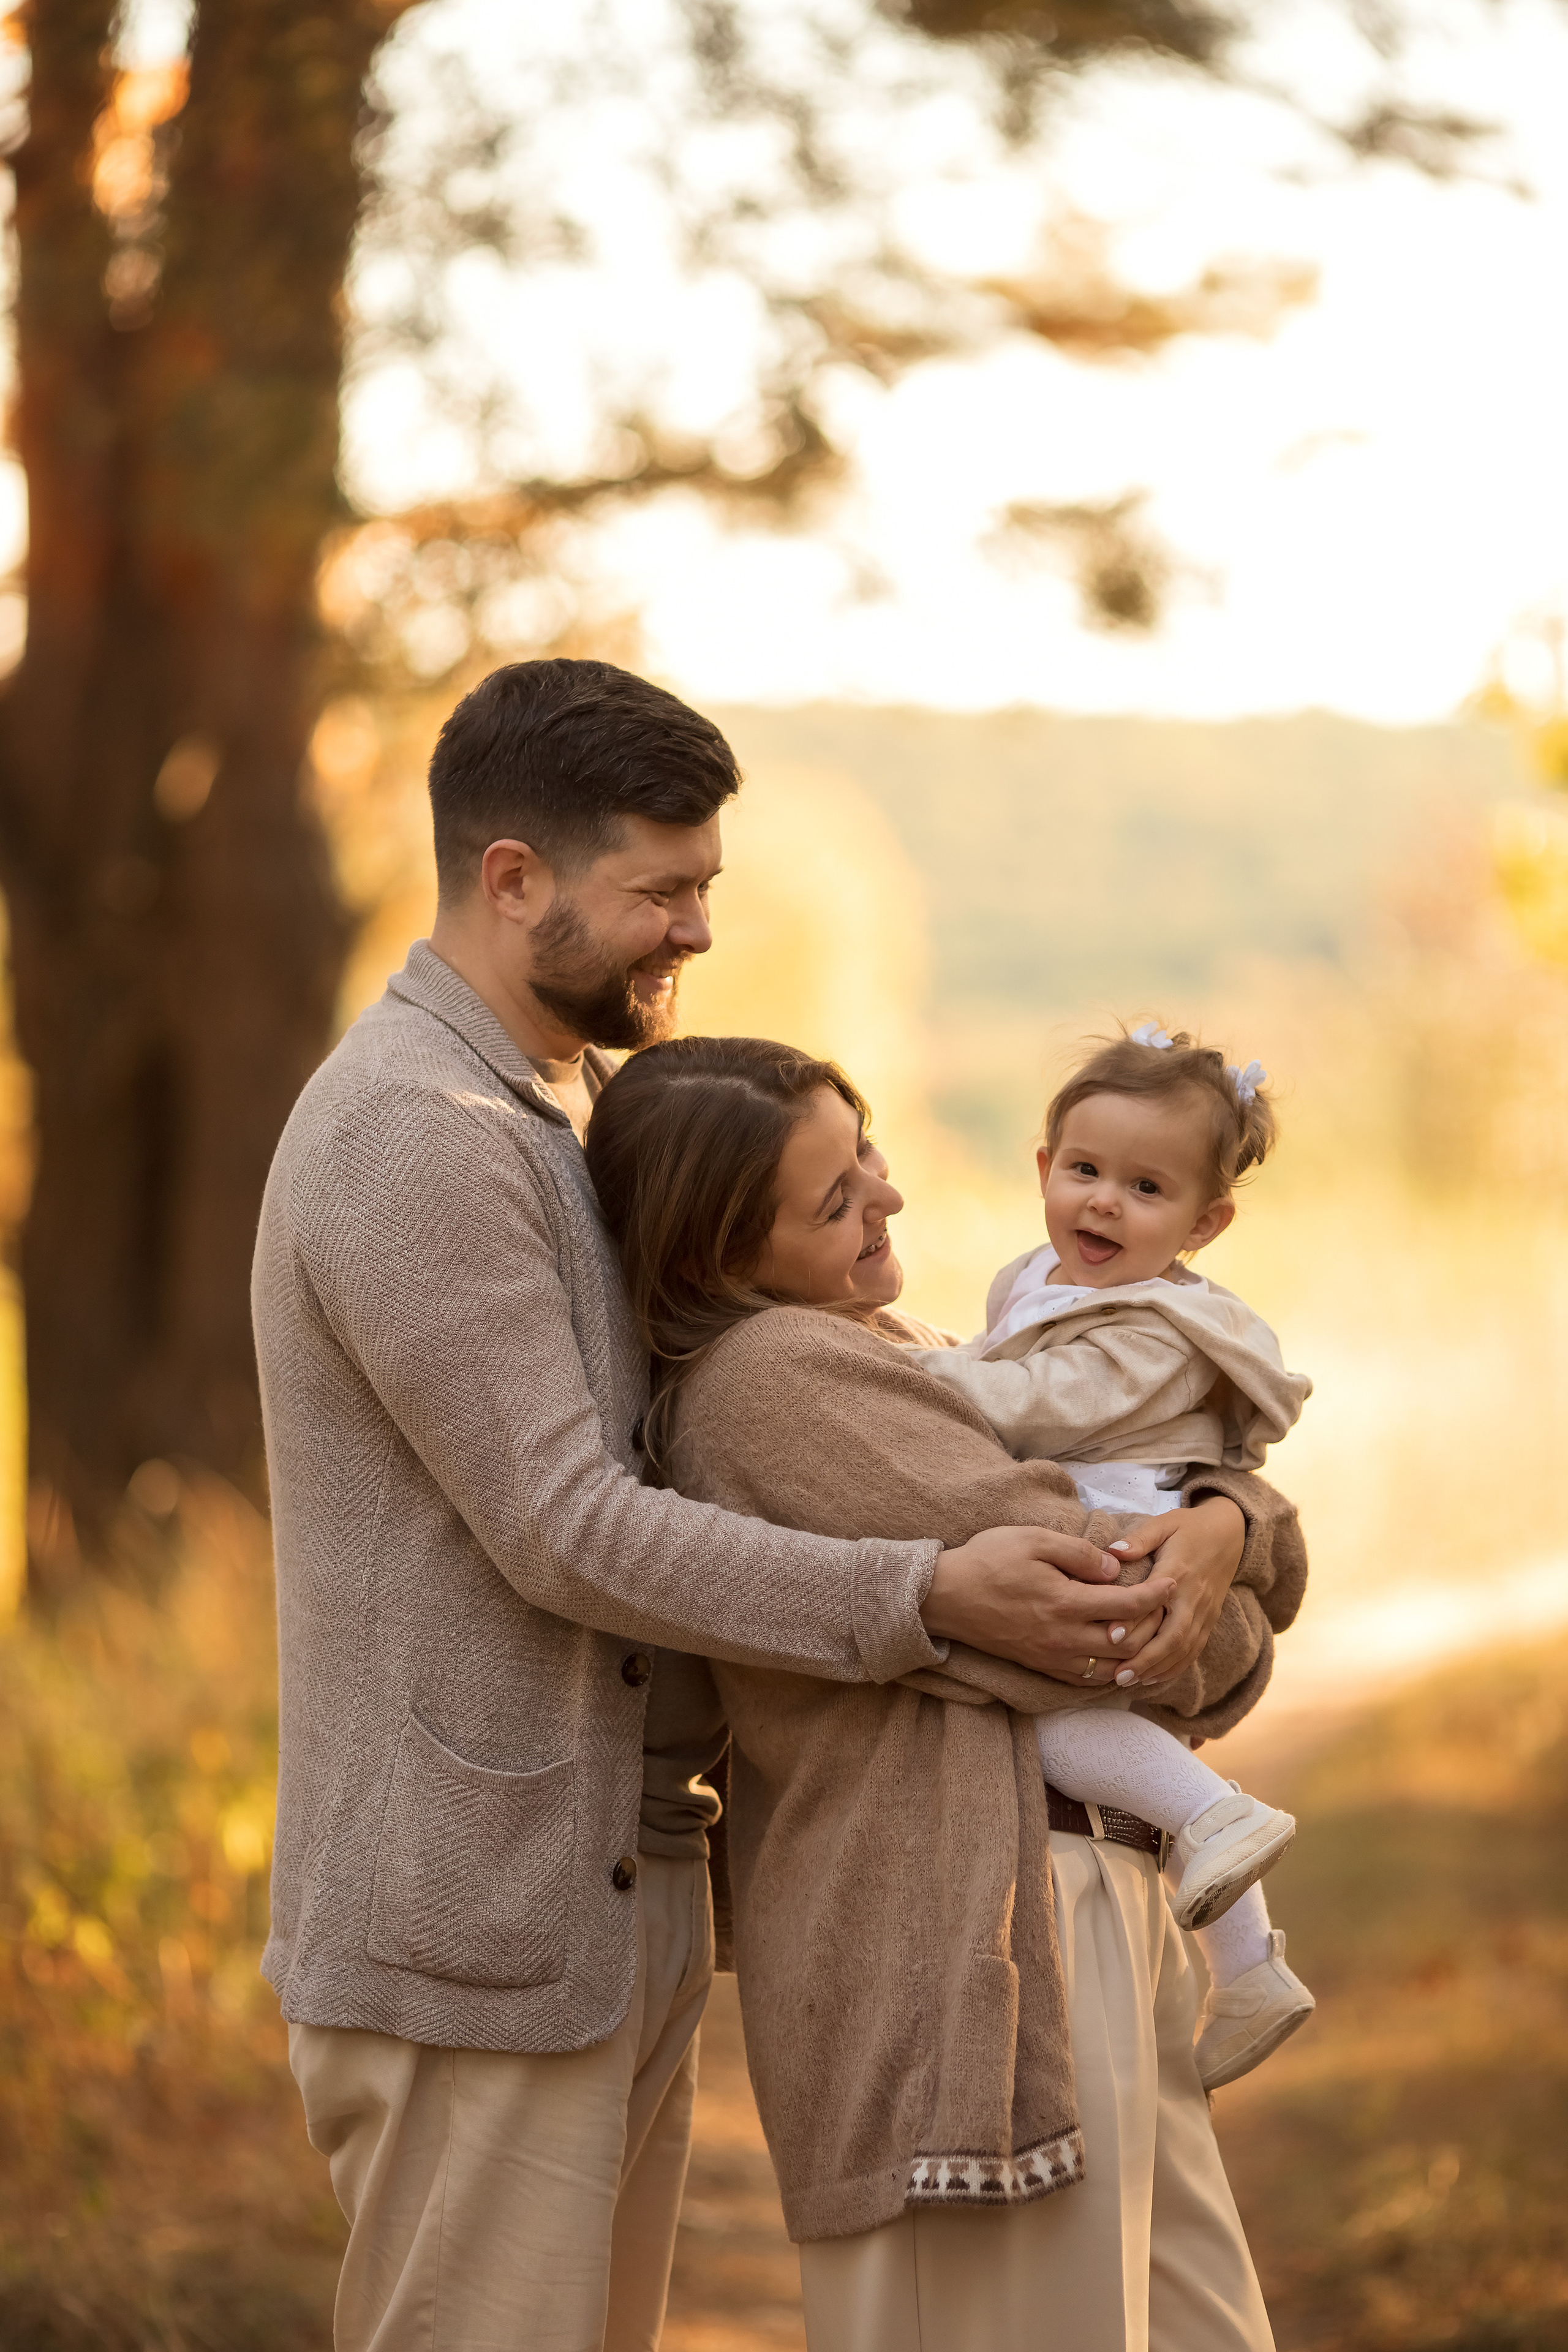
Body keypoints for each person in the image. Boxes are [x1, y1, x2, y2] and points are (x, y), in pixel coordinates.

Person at [251, 659, 1256, 2352]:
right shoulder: (412, 1134)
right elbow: (566, 1523)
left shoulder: (561, 1115)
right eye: (663, 890)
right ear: (515, 878)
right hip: (467, 1919)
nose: (697, 930)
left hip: (606, 1892)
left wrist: (1219, 1508)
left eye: (703, 886)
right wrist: (919, 1597)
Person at [585, 1032, 1308, 2352]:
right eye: (834, 1198)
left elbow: (1215, 1608)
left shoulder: (916, 1351)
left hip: (1076, 1902)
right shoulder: (776, 1379)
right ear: (726, 1253)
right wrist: (1218, 1559)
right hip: (965, 1952)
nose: (889, 1194)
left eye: (864, 1151)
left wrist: (1224, 1523)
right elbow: (1137, 1626)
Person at [904, 1022, 1317, 2090]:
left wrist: (889, 1373)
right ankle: (1252, 1970)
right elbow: (1000, 1364)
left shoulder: (1159, 1328)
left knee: (1042, 1717)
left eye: (1146, 1188)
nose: (1102, 1205)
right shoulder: (1039, 1277)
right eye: (1084, 1171)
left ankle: (1214, 1814)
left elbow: (1035, 1404)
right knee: (1121, 1740)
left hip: (1126, 1541)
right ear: (1045, 1165)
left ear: (1204, 1223)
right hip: (1091, 1524)